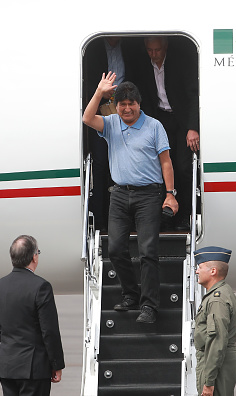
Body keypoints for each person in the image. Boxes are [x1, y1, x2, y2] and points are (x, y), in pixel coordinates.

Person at [82, 72, 179, 323]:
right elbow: (87, 118)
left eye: (131, 104)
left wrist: (170, 195)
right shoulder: (112, 123)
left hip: (149, 194)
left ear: (139, 104)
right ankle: (130, 294)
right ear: (117, 105)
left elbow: (166, 162)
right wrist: (99, 93)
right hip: (119, 194)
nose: (126, 109)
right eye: (122, 104)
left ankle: (149, 306)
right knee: (114, 248)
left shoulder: (154, 126)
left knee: (148, 250)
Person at [138, 36, 199, 231]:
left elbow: (193, 94)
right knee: (159, 168)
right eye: (149, 50)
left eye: (157, 50)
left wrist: (193, 127)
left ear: (165, 47)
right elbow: (143, 96)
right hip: (159, 119)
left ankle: (185, 216)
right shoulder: (142, 64)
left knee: (182, 168)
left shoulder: (180, 62)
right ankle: (164, 216)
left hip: (181, 119)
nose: (153, 54)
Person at [0, 235, 65, 396]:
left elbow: (0, 329)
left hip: (7, 365)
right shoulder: (41, 286)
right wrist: (56, 364)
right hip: (34, 367)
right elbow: (49, 330)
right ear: (34, 257)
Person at [83, 37, 138, 231]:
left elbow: (140, 78)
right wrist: (100, 93)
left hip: (127, 112)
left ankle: (128, 222)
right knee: (100, 166)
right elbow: (83, 80)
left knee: (128, 164)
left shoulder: (132, 45)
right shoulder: (93, 47)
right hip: (100, 112)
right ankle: (100, 222)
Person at [194, 246, 236, 396]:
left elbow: (217, 341)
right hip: (219, 363)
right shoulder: (222, 293)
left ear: (213, 271)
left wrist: (209, 381)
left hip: (216, 365)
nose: (196, 271)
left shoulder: (217, 300)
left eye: (200, 267)